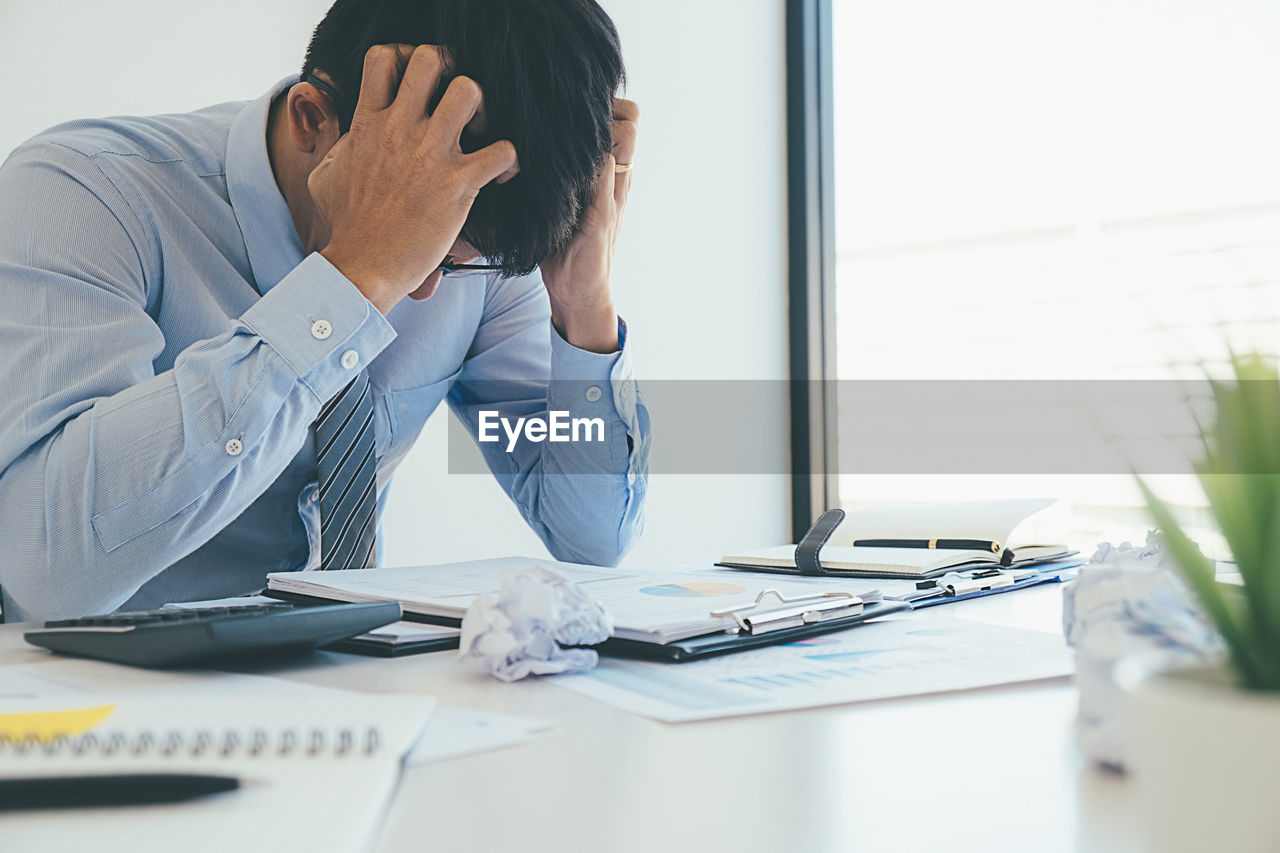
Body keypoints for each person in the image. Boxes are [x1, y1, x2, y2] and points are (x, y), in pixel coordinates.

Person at [0, 0, 650, 622]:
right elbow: (45, 572)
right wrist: (357, 277)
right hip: (105, 711)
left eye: (449, 261)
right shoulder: (81, 194)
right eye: (421, 254)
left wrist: (583, 304)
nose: (423, 291)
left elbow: (591, 538)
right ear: (312, 120)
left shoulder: (475, 246)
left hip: (352, 696)